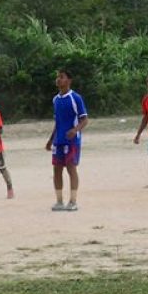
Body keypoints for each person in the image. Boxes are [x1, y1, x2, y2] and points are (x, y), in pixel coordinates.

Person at [46, 69, 89, 212]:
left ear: (69, 81)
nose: (58, 79)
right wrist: (51, 140)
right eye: (57, 77)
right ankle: (59, 201)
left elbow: (85, 119)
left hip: (71, 141)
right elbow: (57, 122)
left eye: (62, 77)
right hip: (58, 141)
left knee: (71, 168)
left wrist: (75, 130)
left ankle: (73, 200)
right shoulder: (55, 99)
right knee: (57, 170)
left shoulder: (75, 98)